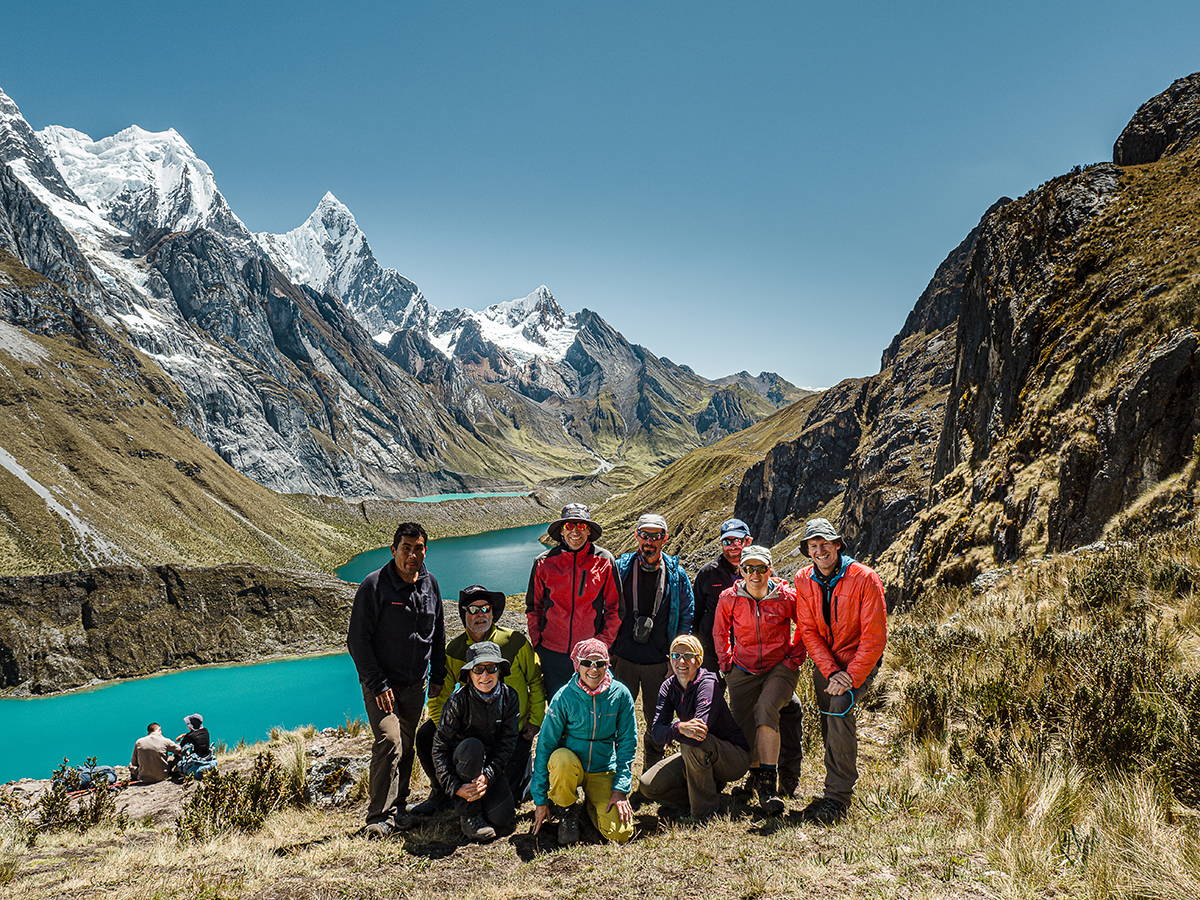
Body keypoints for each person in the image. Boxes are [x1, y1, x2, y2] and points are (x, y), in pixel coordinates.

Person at [347, 522, 446, 839]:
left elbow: (438, 634)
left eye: (418, 548)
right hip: (382, 686)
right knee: (389, 740)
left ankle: (400, 809)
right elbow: (357, 640)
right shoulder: (374, 585)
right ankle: (378, 816)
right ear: (394, 550)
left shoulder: (430, 584)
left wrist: (438, 676)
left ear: (425, 551)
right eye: (406, 548)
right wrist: (377, 684)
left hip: (415, 683)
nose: (412, 555)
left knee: (407, 746)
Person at [693, 518, 805, 796]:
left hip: (778, 665)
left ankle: (770, 779)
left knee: (767, 708)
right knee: (742, 722)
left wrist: (794, 657)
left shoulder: (785, 596)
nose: (755, 573)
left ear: (770, 569)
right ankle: (754, 775)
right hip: (742, 667)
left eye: (761, 568)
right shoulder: (729, 596)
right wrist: (726, 663)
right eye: (749, 568)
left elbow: (806, 625)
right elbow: (720, 632)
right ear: (741, 571)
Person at [412, 584, 546, 815]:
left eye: (485, 609)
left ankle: (523, 780)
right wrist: (447, 728)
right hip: (472, 734)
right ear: (464, 615)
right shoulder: (455, 649)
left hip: (512, 731)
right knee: (426, 735)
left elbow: (535, 680)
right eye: (473, 610)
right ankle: (441, 791)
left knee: (508, 803)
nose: (480, 615)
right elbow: (438, 693)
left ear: (493, 613)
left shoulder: (514, 641)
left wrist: (534, 722)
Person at [794, 518, 887, 825]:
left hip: (860, 661)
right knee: (829, 722)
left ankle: (838, 797)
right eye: (813, 546)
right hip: (828, 664)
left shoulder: (865, 578)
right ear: (807, 550)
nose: (819, 551)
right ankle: (836, 781)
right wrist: (831, 670)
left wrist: (850, 675)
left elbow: (874, 637)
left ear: (837, 545)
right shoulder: (804, 578)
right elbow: (808, 630)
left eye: (825, 544)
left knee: (837, 710)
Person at [531, 638, 637, 845]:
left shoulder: (621, 695)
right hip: (571, 765)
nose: (593, 669)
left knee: (620, 833)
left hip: (603, 767)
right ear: (577, 664)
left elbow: (627, 743)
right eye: (587, 663)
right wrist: (540, 800)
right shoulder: (564, 696)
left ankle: (592, 805)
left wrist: (620, 790)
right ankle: (567, 811)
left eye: (600, 663)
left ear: (608, 665)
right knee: (560, 758)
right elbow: (545, 745)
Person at [611, 513, 694, 769]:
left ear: (665, 539)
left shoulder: (676, 574)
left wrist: (676, 658)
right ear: (636, 536)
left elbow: (686, 615)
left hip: (659, 663)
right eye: (644, 535)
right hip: (622, 659)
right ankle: (616, 771)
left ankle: (652, 772)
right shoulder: (621, 568)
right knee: (617, 719)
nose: (649, 541)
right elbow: (607, 607)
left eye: (656, 536)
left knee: (657, 719)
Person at [638, 634, 750, 820]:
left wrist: (673, 730)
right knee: (648, 785)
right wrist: (679, 727)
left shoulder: (708, 683)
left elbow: (699, 730)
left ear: (698, 660)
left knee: (691, 743)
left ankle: (703, 814)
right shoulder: (668, 686)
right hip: (696, 752)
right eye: (675, 656)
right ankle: (701, 796)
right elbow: (656, 733)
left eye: (687, 655)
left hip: (732, 758)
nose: (681, 661)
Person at [525, 504, 621, 698]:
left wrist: (602, 643)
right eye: (569, 526)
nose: (575, 531)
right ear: (562, 531)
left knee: (590, 706)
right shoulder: (544, 562)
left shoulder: (604, 560)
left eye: (581, 526)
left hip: (590, 653)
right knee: (556, 703)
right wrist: (539, 643)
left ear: (588, 531)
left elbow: (615, 609)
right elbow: (533, 607)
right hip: (552, 652)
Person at [432, 641, 521, 842]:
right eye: (478, 669)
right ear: (469, 674)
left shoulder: (509, 697)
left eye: (491, 668)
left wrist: (488, 776)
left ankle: (482, 805)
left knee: (504, 821)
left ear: (500, 671)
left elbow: (507, 743)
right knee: (473, 746)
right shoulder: (458, 701)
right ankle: (469, 815)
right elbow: (439, 748)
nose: (485, 675)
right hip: (463, 763)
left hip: (489, 769)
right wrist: (455, 787)